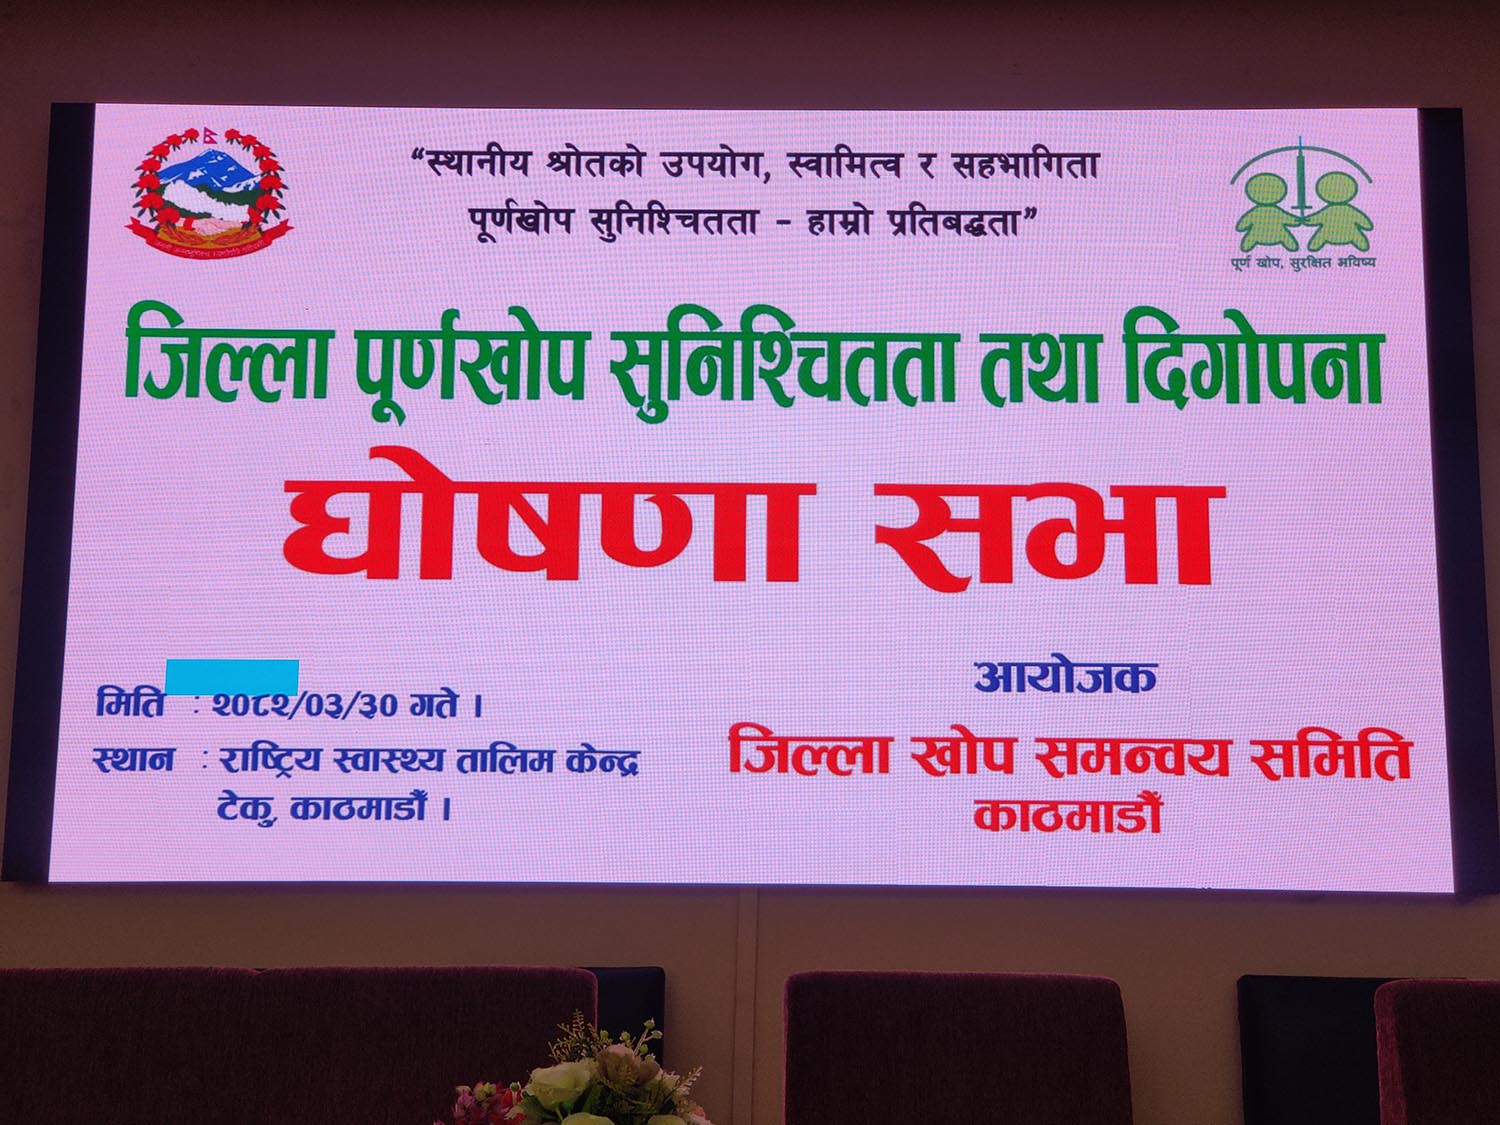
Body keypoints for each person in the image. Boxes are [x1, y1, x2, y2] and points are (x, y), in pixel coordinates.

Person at [1302, 171, 1373, 252]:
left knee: (1320, 236)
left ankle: (1314, 246)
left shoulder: (1329, 210)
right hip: (1350, 233)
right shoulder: (1346, 210)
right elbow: (1362, 220)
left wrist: (1307, 220)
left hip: (1329, 233)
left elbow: (1317, 218)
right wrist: (1367, 225)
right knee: (1357, 237)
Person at [1235, 172, 1301, 252]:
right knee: (1285, 237)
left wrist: (1241, 226)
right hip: (1277, 233)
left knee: (1251, 238)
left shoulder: (1261, 211)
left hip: (1257, 233)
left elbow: (1244, 223)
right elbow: (1287, 218)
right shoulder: (1275, 211)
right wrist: (1297, 220)